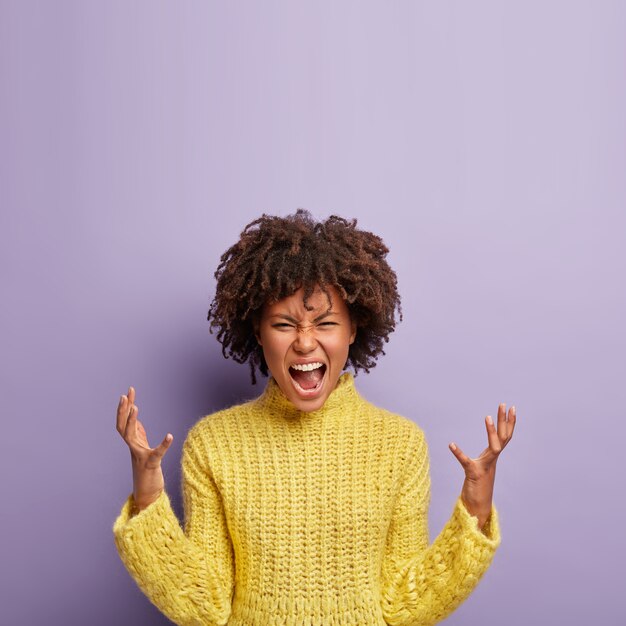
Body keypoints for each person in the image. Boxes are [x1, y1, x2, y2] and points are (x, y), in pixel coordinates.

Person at [113, 209, 516, 626]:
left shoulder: (399, 443)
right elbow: (207, 606)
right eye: (285, 324)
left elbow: (404, 605)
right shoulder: (213, 444)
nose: (305, 343)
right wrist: (147, 497)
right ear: (257, 331)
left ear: (354, 329)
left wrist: (475, 505)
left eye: (325, 323)